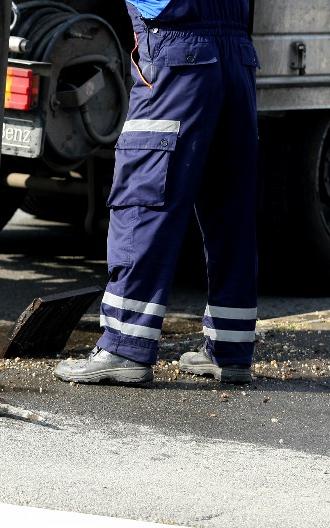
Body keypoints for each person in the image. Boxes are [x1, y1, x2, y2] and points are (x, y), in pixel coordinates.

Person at [54, 0, 261, 385]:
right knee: (231, 204)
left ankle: (123, 347)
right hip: (237, 55)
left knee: (144, 198)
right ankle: (231, 351)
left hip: (178, 53)